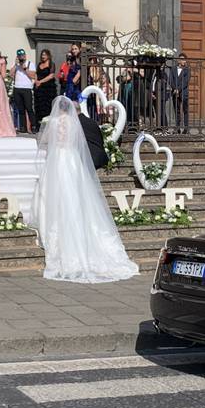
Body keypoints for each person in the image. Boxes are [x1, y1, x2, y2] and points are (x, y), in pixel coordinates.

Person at [30, 97, 138, 283]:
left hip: (57, 161)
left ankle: (56, 235)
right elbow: (78, 144)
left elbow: (45, 141)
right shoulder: (75, 123)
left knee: (53, 196)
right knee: (76, 196)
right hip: (72, 161)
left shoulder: (54, 122)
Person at [11, 48, 37, 133]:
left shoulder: (30, 64)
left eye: (22, 56)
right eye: (19, 56)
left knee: (29, 108)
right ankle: (23, 127)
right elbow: (11, 74)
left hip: (27, 89)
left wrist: (25, 69)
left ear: (25, 56)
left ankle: (33, 126)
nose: (21, 57)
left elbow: (33, 76)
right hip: (17, 88)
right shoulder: (16, 65)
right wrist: (15, 65)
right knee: (20, 109)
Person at [34, 49, 58, 124]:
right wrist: (36, 81)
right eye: (42, 54)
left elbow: (51, 76)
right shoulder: (39, 64)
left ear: (48, 55)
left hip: (48, 89)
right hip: (39, 89)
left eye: (45, 54)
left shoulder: (51, 64)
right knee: (39, 106)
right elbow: (36, 74)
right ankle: (39, 123)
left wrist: (40, 81)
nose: (43, 56)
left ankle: (48, 123)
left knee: (47, 106)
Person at [169, 53, 191, 133]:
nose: (182, 61)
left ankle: (186, 128)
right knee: (177, 110)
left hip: (183, 93)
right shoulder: (173, 69)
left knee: (185, 110)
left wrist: (178, 89)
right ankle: (177, 128)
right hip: (175, 92)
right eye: (181, 59)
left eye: (184, 59)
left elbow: (186, 81)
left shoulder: (187, 69)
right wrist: (174, 89)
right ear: (178, 60)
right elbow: (170, 79)